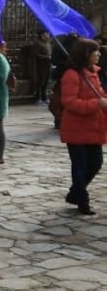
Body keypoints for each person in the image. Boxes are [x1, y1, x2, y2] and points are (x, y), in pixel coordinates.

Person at [58, 38, 106, 216]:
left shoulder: (94, 73)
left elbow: (99, 96)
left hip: (93, 128)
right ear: (86, 54)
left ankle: (75, 192)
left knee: (95, 163)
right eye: (95, 51)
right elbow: (69, 102)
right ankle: (82, 200)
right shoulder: (72, 75)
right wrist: (96, 104)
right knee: (80, 166)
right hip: (76, 129)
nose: (98, 54)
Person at [32, 30, 52, 104]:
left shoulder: (48, 43)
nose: (47, 35)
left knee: (46, 81)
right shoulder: (38, 43)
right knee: (40, 81)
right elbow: (36, 54)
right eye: (46, 34)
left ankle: (44, 97)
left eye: (48, 34)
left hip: (48, 63)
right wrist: (46, 57)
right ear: (42, 35)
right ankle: (38, 98)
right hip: (41, 64)